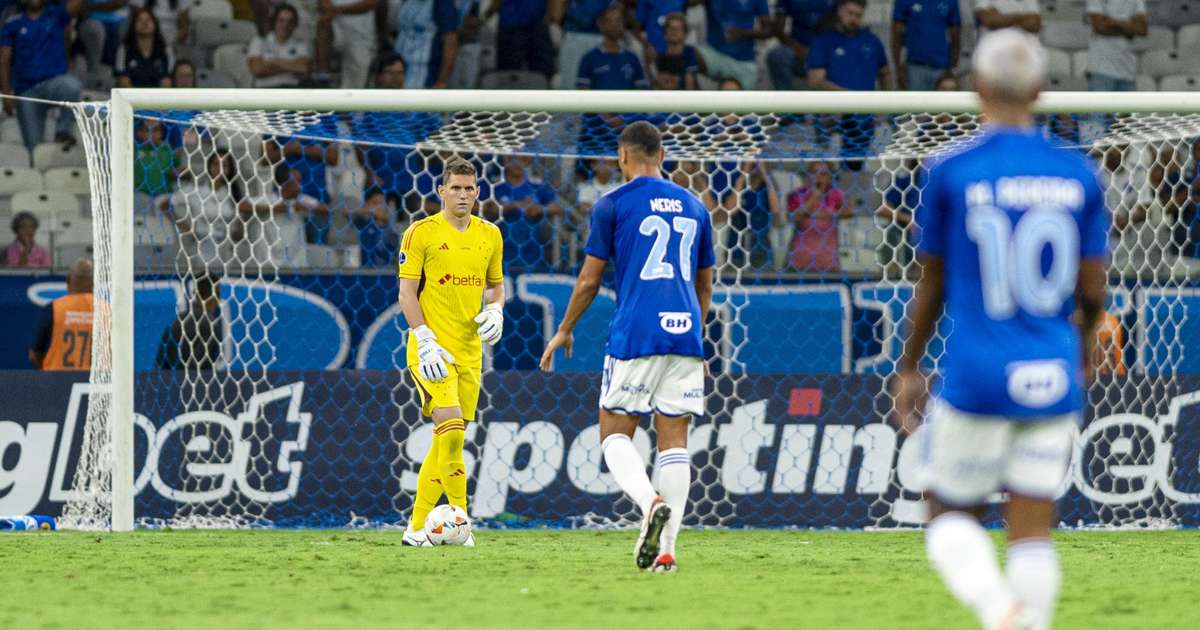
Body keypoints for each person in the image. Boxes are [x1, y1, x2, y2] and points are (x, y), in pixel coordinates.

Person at [892, 29, 1108, 630]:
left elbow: (930, 283)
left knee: (947, 516)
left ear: (977, 88)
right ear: (1041, 90)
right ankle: (1025, 617)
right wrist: (1083, 347)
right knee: (1032, 526)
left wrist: (909, 366)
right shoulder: (1079, 175)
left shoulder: (950, 171)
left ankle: (998, 610)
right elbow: (1093, 293)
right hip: (1052, 369)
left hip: (978, 373)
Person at [539, 121, 715, 574]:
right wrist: (693, 328)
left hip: (636, 331)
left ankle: (647, 500)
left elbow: (589, 279)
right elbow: (705, 283)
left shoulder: (612, 204)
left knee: (615, 434)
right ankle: (668, 550)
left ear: (622, 156)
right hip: (686, 332)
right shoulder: (696, 207)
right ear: (662, 154)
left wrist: (565, 328)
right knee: (674, 442)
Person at [398, 158, 504, 547]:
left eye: (469, 188)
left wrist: (496, 308)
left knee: (446, 441)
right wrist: (423, 337)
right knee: (454, 433)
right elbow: (407, 293)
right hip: (431, 351)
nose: (463, 194)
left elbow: (496, 285)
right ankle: (462, 522)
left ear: (478, 192)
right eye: (455, 188)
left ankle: (414, 529)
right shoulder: (420, 234)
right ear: (441, 191)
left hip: (470, 352)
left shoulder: (490, 234)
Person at [807, 0, 890, 158]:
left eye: (858, 15)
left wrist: (885, 102)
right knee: (831, 166)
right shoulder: (823, 41)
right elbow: (815, 80)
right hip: (833, 117)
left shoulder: (872, 41)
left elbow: (885, 72)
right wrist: (850, 97)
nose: (853, 19)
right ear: (839, 11)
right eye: (849, 13)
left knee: (883, 139)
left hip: (868, 117)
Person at [0, 0, 84, 151]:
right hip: (26, 92)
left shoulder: (56, 14)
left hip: (54, 83)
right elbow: (4, 60)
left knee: (72, 85)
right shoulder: (13, 23)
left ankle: (63, 131)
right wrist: (6, 94)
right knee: (34, 148)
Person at [30, 259, 94, 370]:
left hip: (57, 381)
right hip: (97, 384)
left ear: (68, 280)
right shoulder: (107, 310)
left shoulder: (54, 308)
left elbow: (35, 355)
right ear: (94, 283)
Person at [787, 160, 850, 272]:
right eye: (814, 172)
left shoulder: (837, 194)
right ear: (808, 175)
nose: (818, 177)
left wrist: (826, 214)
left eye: (823, 173)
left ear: (830, 176)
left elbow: (849, 212)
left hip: (828, 261)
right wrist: (815, 196)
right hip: (799, 260)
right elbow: (795, 217)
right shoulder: (797, 194)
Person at [384, 0, 459, 88]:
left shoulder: (443, 3)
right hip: (397, 69)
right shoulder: (405, 1)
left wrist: (442, 81)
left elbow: (450, 43)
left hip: (423, 75)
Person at [156, 274, 224, 370]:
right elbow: (200, 369)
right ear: (216, 296)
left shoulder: (176, 322)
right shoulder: (211, 326)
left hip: (173, 382)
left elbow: (160, 363)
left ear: (195, 292)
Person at [700, 0, 771, 90]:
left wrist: (743, 33)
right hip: (714, 55)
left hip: (743, 61)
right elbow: (687, 3)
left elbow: (768, 30)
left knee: (733, 96)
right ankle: (687, 100)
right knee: (689, 54)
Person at [891, 0, 961, 91]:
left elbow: (955, 36)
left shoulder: (950, 1)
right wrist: (898, 69)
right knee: (916, 104)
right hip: (915, 68)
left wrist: (953, 68)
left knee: (942, 104)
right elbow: (896, 34)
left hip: (942, 69)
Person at [766, 0, 835, 90]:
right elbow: (778, 30)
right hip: (799, 52)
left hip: (830, 53)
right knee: (776, 56)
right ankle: (784, 99)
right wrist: (798, 49)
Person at [576, 5, 647, 91]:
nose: (615, 25)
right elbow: (583, 91)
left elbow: (641, 90)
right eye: (610, 21)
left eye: (618, 21)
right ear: (601, 24)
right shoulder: (589, 58)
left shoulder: (632, 58)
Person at [314, 0, 378, 88]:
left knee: (354, 86)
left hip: (361, 37)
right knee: (323, 23)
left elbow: (371, 3)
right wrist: (333, 10)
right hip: (336, 28)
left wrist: (338, 10)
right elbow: (323, 5)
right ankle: (323, 77)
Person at [1086, 0, 1146, 92]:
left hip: (1128, 71)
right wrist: (1130, 29)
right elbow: (1099, 27)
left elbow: (1142, 29)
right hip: (1100, 70)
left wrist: (1115, 23)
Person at [485, 0, 555, 79]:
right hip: (529, 25)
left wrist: (485, 17)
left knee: (509, 76)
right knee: (542, 75)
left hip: (514, 27)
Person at [248, 3, 311, 88]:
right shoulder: (259, 41)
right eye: (281, 20)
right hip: (265, 91)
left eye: (290, 21)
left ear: (295, 24)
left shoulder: (300, 44)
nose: (285, 25)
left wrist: (273, 62)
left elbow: (303, 68)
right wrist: (291, 66)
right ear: (274, 22)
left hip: (291, 91)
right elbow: (257, 70)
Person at [550, 0, 611, 90]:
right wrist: (555, 24)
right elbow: (557, 11)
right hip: (575, 35)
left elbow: (616, 8)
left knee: (602, 82)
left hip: (600, 34)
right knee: (571, 83)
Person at [115, 7, 176, 88]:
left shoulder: (166, 49)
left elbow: (169, 77)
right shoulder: (124, 49)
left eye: (149, 20)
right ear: (133, 25)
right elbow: (122, 77)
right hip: (132, 96)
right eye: (140, 20)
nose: (145, 23)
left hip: (159, 96)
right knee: (123, 80)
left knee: (167, 81)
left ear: (155, 24)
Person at [975, 0, 1040, 37]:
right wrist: (1023, 18)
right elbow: (989, 20)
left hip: (1023, 48)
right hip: (993, 48)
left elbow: (1034, 24)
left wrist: (1001, 18)